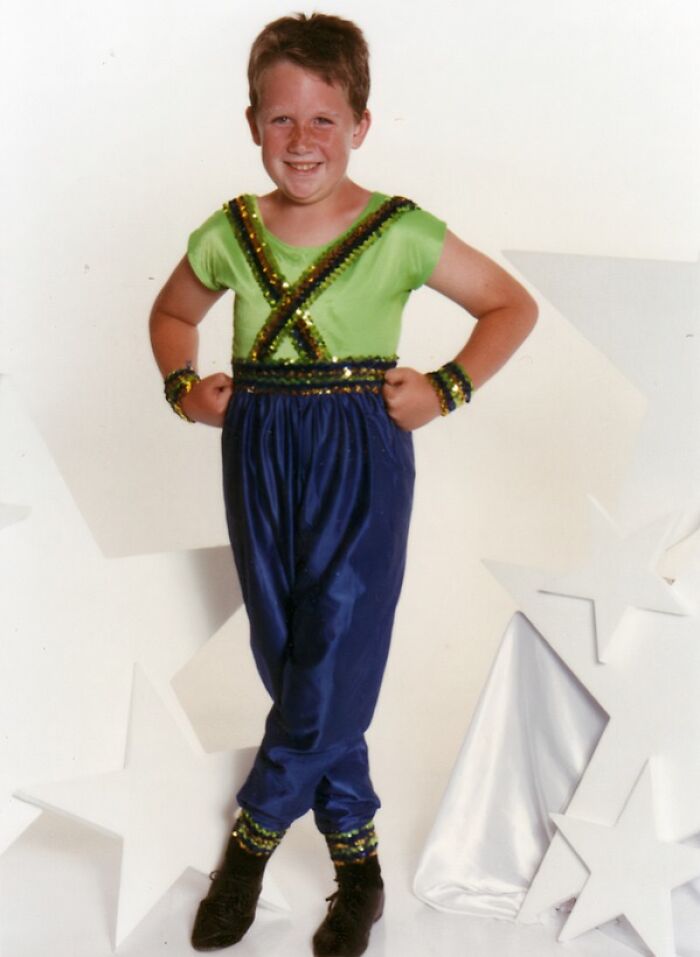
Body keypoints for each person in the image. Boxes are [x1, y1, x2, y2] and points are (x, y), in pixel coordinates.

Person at [149, 12, 537, 956]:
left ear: (361, 123)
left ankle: (250, 840)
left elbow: (509, 304)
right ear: (252, 123)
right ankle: (359, 866)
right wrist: (184, 388)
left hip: (360, 450)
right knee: (292, 652)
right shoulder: (230, 231)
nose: (302, 140)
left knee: (339, 644)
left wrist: (447, 387)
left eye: (323, 119)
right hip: (257, 451)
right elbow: (170, 313)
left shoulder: (398, 231)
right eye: (281, 119)